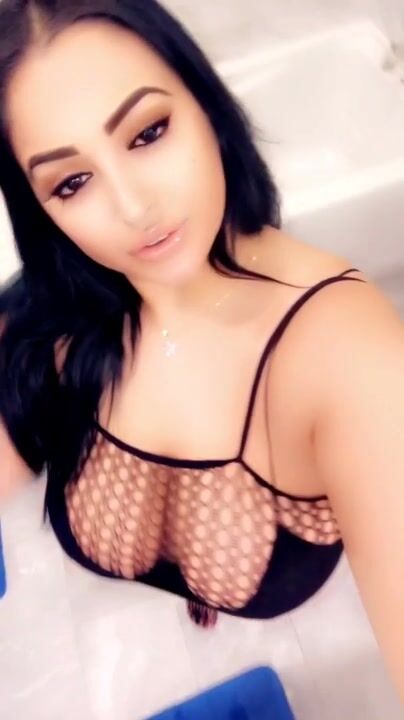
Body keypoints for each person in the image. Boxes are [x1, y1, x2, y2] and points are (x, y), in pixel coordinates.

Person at [0, 0, 403, 704]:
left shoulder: (347, 355)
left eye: (148, 132)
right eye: (72, 182)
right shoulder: (44, 319)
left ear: (205, 103)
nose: (134, 209)